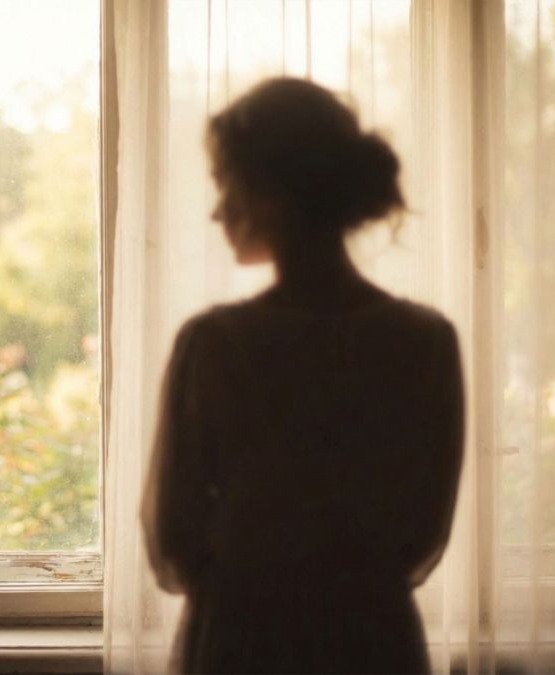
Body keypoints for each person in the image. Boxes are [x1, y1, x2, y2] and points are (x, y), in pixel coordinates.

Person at [140, 77, 466, 674]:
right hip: (374, 642)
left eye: (224, 184)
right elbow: (420, 538)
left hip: (242, 642)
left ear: (270, 194)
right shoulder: (426, 341)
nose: (216, 211)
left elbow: (172, 542)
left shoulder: (216, 345)